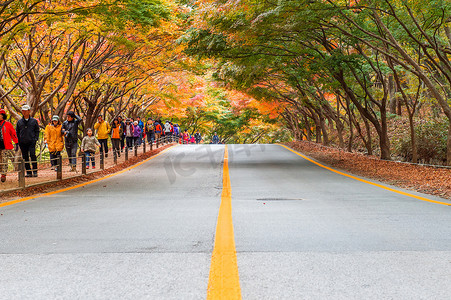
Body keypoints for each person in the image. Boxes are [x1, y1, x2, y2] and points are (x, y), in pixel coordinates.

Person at [16, 104, 40, 177]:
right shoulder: (19, 122)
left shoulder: (34, 121)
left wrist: (35, 139)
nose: (24, 112)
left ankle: (35, 171)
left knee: (33, 155)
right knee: (25, 157)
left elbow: (37, 131)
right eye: (23, 111)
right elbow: (17, 131)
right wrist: (19, 141)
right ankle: (28, 172)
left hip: (31, 142)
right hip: (23, 143)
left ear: (29, 111)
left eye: (25, 111)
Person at [0, 109, 18, 182]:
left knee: (4, 160)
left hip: (5, 145)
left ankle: (3, 175)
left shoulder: (8, 124)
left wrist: (16, 142)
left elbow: (13, 134)